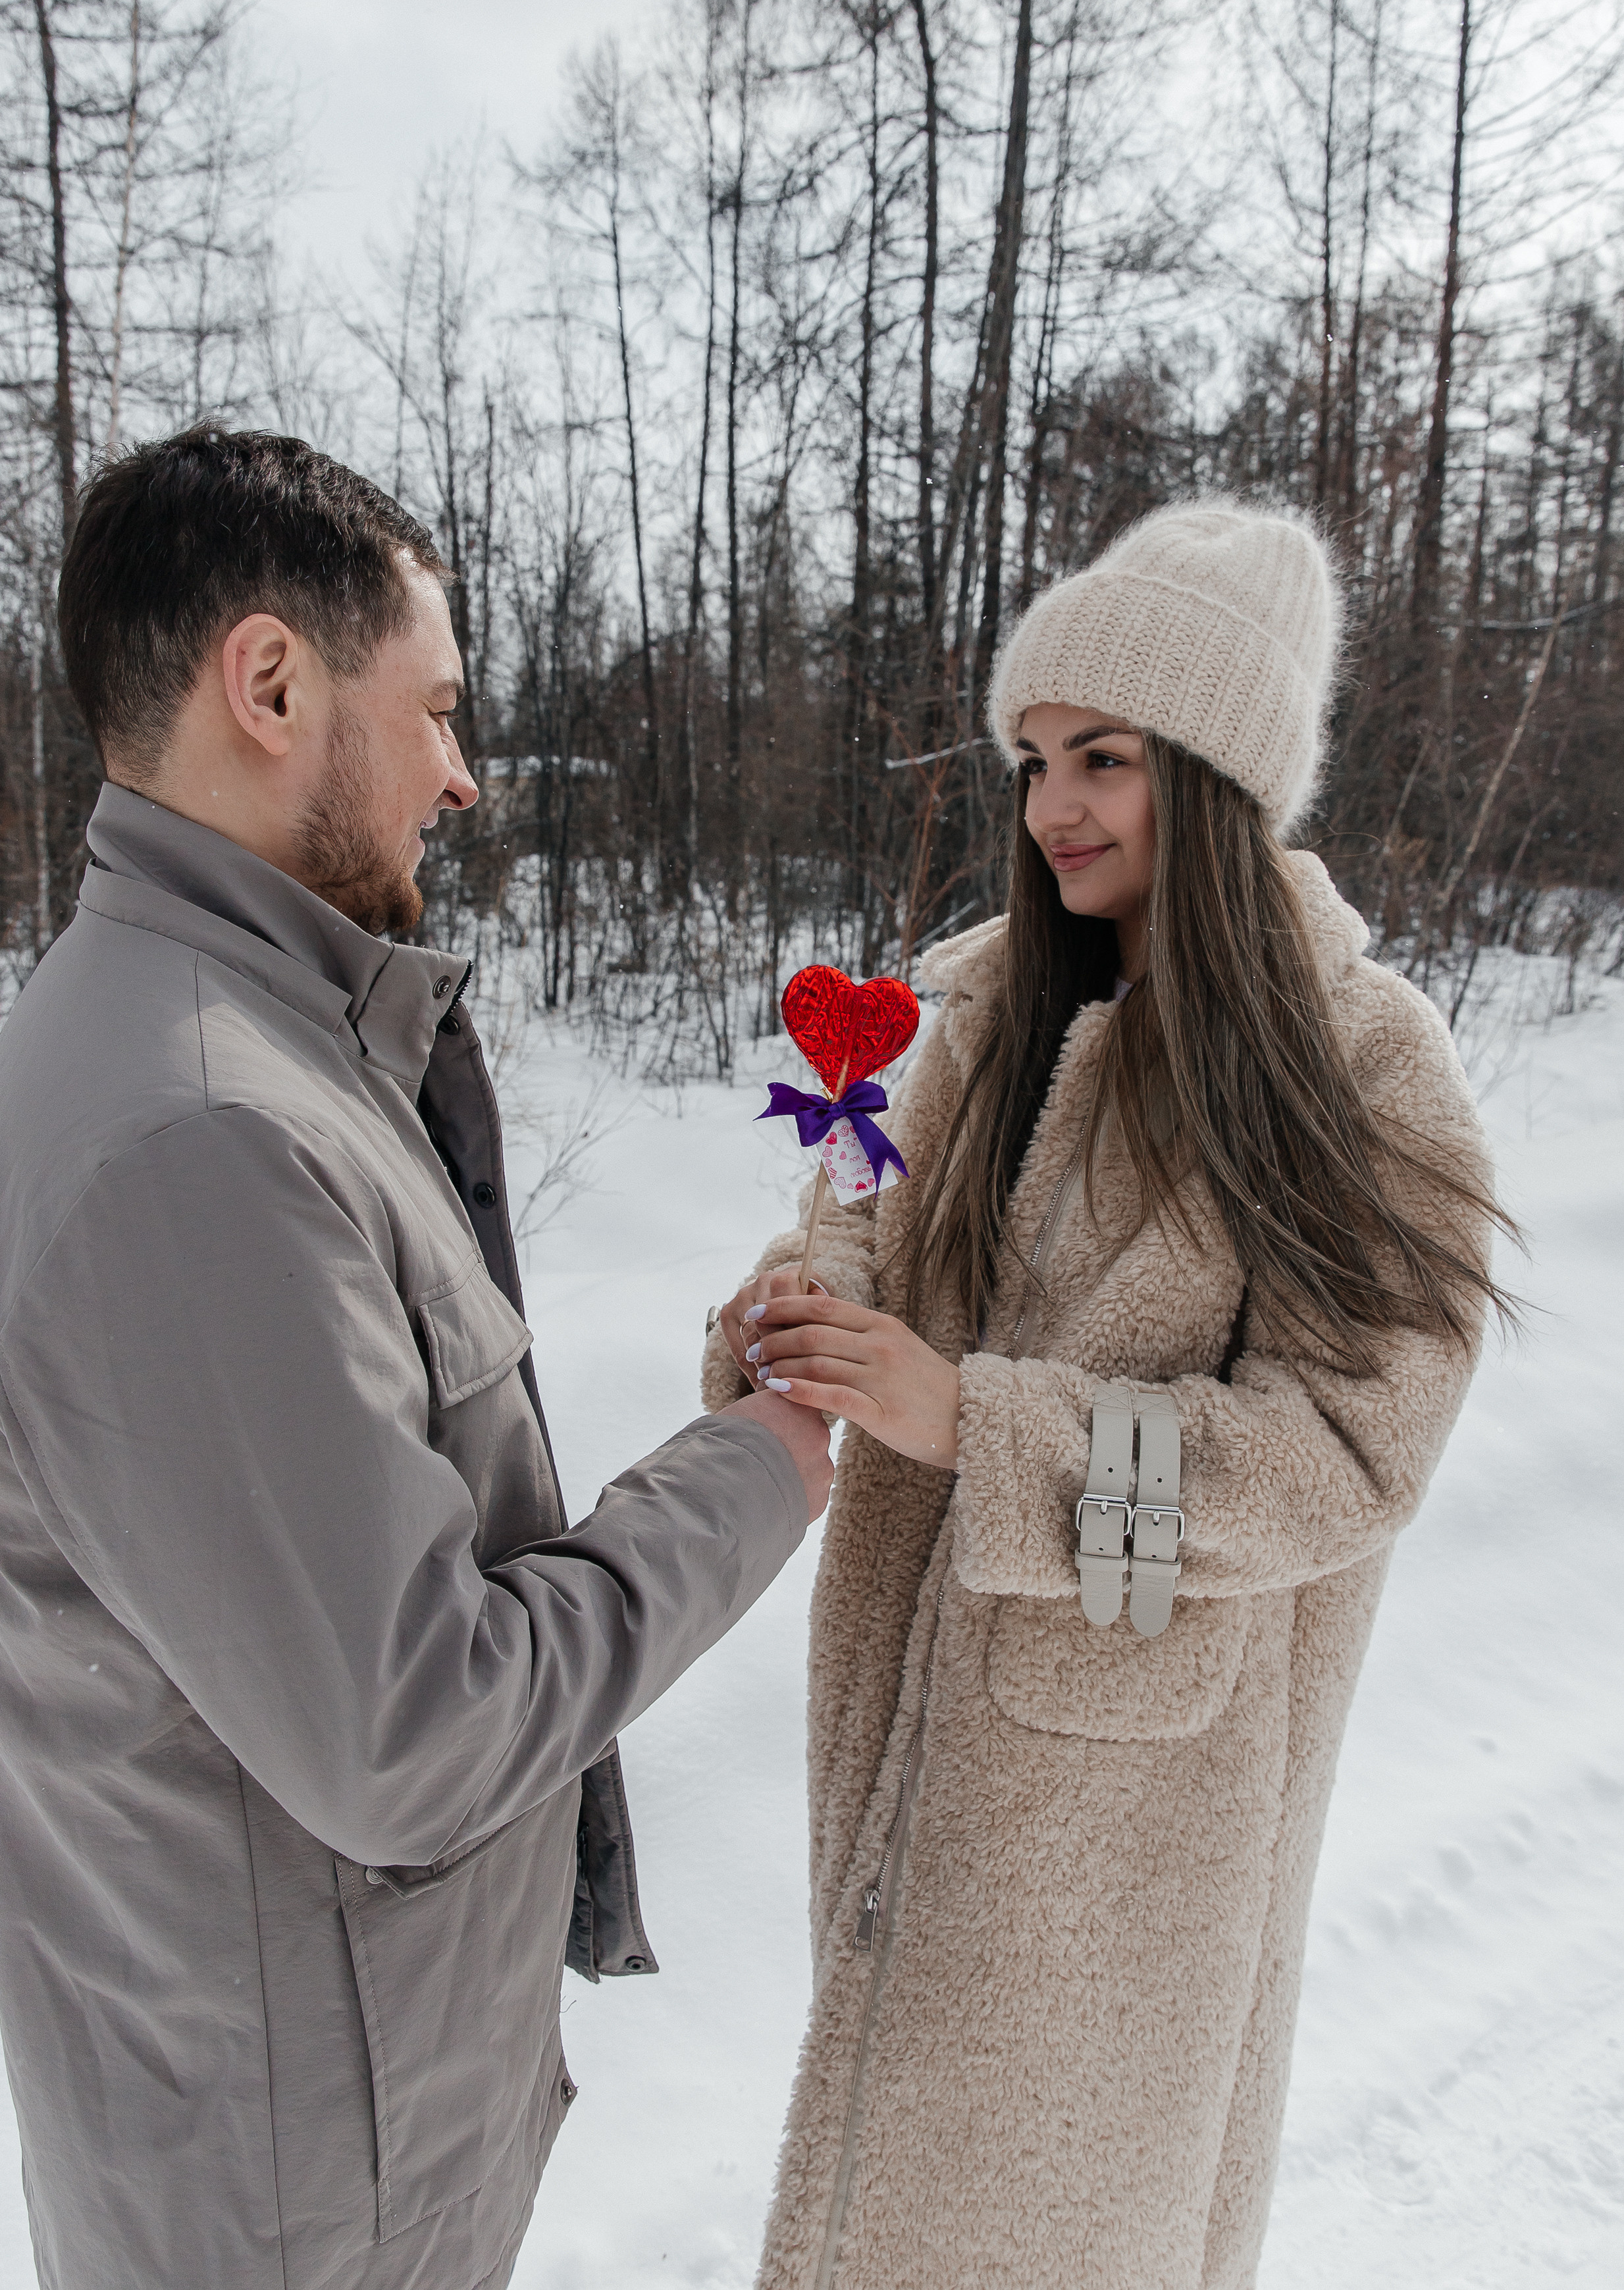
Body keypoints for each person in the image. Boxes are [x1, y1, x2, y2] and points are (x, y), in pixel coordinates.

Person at [0, 425, 832, 2290]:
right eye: (438, 705)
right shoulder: (195, 1132)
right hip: (299, 2192)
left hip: (319, 2113)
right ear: (273, 683)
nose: (462, 772)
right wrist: (749, 1477)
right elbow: (414, 1727)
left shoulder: (232, 1046)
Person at [707, 503, 1506, 2290]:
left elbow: (1347, 1452)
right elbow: (857, 1217)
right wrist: (798, 1316)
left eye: (1106, 758)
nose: (1053, 803)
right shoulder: (969, 1001)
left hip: (1138, 1839)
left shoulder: (1362, 1059)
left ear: (1217, 774)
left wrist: (976, 1426)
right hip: (909, 1740)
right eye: (1034, 757)